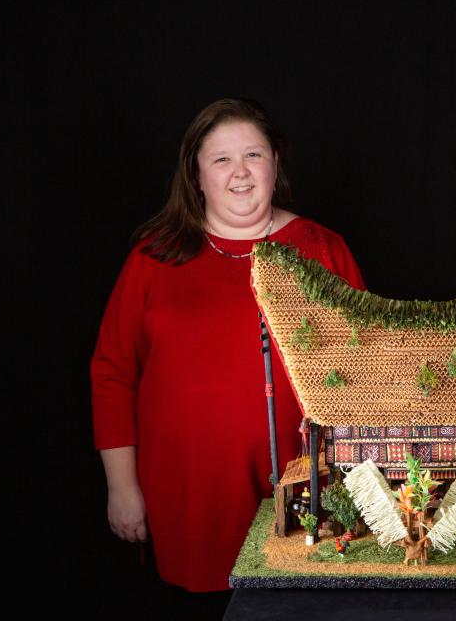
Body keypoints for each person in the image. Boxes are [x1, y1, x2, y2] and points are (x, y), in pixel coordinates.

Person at [90, 98, 365, 597]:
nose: (240, 172)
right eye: (221, 159)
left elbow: (366, 370)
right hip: (185, 500)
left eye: (253, 155)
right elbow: (112, 371)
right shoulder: (155, 257)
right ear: (195, 174)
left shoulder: (323, 250)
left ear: (275, 163)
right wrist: (121, 486)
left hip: (301, 499)